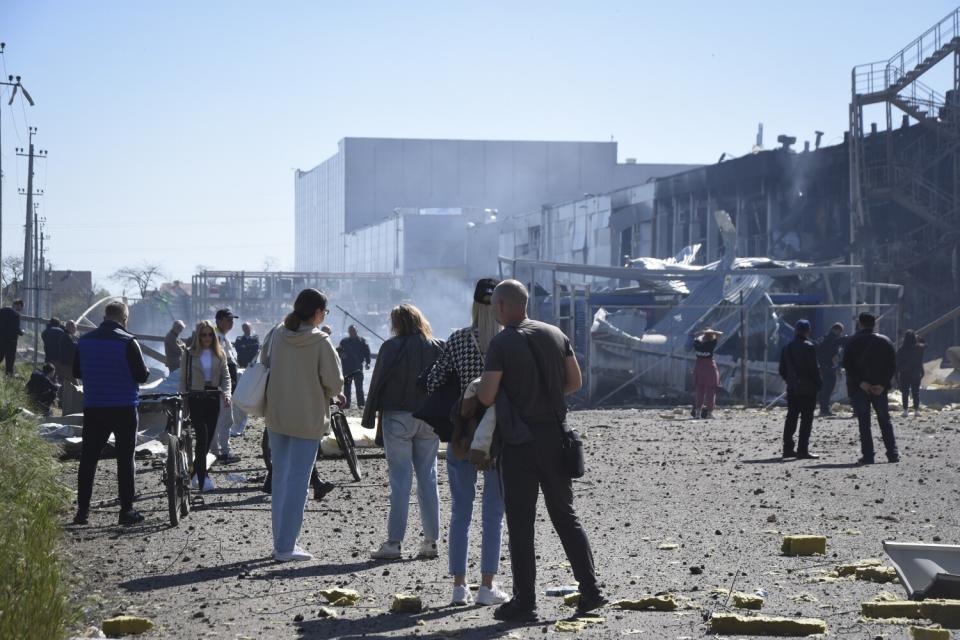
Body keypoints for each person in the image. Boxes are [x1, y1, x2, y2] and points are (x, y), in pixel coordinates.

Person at [476, 280, 605, 621]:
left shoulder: (501, 343)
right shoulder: (555, 334)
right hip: (555, 437)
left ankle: (525, 600)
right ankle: (591, 591)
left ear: (502, 305)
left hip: (520, 442)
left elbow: (487, 396)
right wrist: (545, 392)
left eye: (494, 307)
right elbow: (575, 383)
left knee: (521, 523)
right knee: (566, 516)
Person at [425, 278, 508, 606]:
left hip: (462, 434)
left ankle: (459, 586)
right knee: (493, 513)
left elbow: (432, 381)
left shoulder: (457, 339)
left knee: (461, 510)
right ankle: (487, 586)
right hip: (498, 437)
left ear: (474, 305)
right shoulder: (509, 341)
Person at [263, 288, 344, 561]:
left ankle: (280, 543)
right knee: (298, 482)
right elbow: (334, 382)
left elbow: (264, 363)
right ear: (318, 313)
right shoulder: (321, 341)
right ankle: (286, 547)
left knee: (281, 479)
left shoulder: (277, 333)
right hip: (307, 419)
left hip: (277, 415)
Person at [363, 304, 443, 561]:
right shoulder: (438, 346)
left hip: (397, 417)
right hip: (430, 418)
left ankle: (394, 543)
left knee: (400, 481)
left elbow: (377, 384)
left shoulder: (391, 346)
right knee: (428, 479)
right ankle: (431, 542)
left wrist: (370, 418)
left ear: (396, 323)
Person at [72, 301, 150, 526]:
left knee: (88, 459)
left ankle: (82, 512)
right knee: (125, 459)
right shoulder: (128, 341)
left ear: (104, 316)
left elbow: (77, 371)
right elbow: (142, 376)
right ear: (124, 318)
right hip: (124, 407)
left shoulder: (84, 341)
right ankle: (126, 511)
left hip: (94, 406)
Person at [180, 320, 232, 494]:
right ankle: (203, 478)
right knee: (201, 437)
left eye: (210, 334)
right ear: (198, 335)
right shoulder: (188, 354)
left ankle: (196, 471)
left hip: (213, 398)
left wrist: (226, 393)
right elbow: (183, 380)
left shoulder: (220, 353)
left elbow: (226, 376)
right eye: (204, 334)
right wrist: (184, 402)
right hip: (196, 397)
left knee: (208, 439)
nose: (207, 338)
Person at [842, 312, 900, 465]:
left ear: (860, 324)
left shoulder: (852, 341)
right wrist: (883, 384)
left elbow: (846, 364)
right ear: (874, 324)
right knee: (884, 420)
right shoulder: (886, 341)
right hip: (879, 388)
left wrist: (861, 382)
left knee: (864, 422)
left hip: (860, 387)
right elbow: (892, 366)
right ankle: (892, 453)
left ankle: (868, 456)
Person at [778, 319, 822, 459]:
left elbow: (782, 370)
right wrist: (818, 384)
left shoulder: (787, 347)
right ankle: (803, 450)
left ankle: (787, 449)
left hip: (792, 388)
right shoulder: (809, 347)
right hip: (808, 389)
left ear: (796, 330)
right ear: (808, 331)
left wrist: (790, 380)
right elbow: (813, 369)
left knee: (791, 417)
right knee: (806, 419)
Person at [211, 309, 241, 462]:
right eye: (228, 320)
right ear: (220, 320)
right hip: (221, 385)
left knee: (219, 419)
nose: (231, 323)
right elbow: (219, 364)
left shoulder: (221, 336)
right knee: (225, 419)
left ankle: (216, 452)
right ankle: (223, 452)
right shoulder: (216, 337)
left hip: (223, 384)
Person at [690, 328, 722, 419]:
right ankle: (709, 412)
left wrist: (701, 332)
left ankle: (697, 412)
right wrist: (712, 332)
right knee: (711, 391)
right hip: (709, 367)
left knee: (699, 390)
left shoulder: (697, 344)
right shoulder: (711, 344)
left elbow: (696, 337)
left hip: (699, 367)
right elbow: (720, 334)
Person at [816, 322, 845, 416]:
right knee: (828, 388)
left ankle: (823, 408)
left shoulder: (824, 338)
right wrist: (837, 367)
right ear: (836, 330)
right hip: (829, 367)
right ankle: (824, 409)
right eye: (840, 332)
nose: (840, 334)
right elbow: (834, 355)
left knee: (825, 388)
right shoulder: (832, 339)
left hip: (823, 366)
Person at [339, 325, 372, 409]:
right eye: (350, 331)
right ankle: (346, 404)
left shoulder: (362, 341)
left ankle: (361, 404)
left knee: (359, 387)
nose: (352, 332)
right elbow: (339, 350)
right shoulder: (344, 341)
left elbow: (367, 353)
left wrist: (368, 363)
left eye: (353, 331)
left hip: (358, 368)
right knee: (347, 387)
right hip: (347, 368)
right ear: (348, 332)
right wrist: (341, 354)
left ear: (356, 331)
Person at [897, 330, 925, 418]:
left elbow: (897, 362)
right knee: (915, 392)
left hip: (904, 373)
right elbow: (924, 344)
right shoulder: (919, 348)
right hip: (916, 373)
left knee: (905, 392)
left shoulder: (901, 349)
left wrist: (897, 374)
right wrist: (922, 371)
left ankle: (905, 410)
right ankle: (916, 410)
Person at [57, 320, 82, 415]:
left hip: (66, 364)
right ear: (70, 327)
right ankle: (73, 406)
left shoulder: (66, 336)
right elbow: (71, 351)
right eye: (75, 327)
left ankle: (60, 401)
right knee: (74, 385)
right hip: (68, 365)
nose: (76, 329)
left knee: (67, 383)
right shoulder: (67, 337)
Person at [0, 299, 25, 376]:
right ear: (19, 305)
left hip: (1, 339)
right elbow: (15, 328)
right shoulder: (16, 315)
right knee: (10, 360)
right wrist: (22, 332)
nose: (21, 310)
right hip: (11, 341)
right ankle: (9, 376)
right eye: (21, 307)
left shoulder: (1, 311)